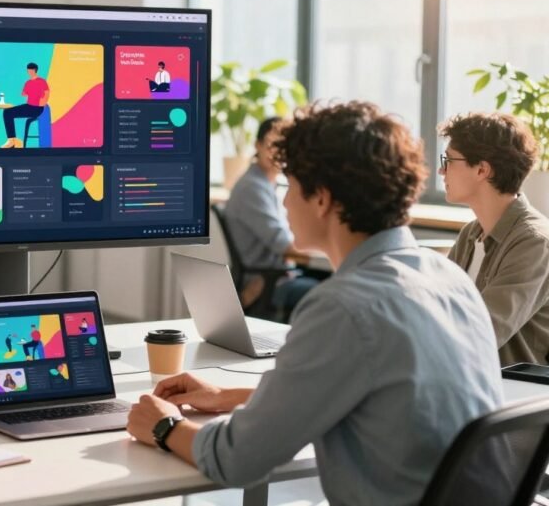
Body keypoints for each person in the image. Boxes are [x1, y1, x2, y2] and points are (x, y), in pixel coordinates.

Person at [127, 101, 503, 505]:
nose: (285, 203)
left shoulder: (344, 306)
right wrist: (226, 396)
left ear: (322, 199)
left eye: (290, 186)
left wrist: (164, 426)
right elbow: (372, 393)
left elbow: (237, 460)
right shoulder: (448, 278)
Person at [439, 112, 549, 365]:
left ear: (482, 169)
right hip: (466, 379)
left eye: (449, 161)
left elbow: (481, 332)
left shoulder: (535, 242)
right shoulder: (471, 234)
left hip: (512, 392)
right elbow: (441, 310)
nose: (440, 170)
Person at [225, 117, 319, 315]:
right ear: (257, 145)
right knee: (326, 293)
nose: (278, 153)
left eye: (283, 147)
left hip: (281, 275)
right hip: (267, 283)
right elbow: (284, 245)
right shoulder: (253, 188)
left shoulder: (270, 185)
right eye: (272, 145)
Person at [1, 62, 49, 149]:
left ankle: (12, 141)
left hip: (37, 108)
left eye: (31, 71)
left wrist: (41, 103)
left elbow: (47, 93)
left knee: (8, 112)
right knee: (7, 112)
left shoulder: (42, 81)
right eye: (28, 71)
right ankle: (11, 140)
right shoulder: (28, 82)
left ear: (35, 71)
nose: (29, 73)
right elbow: (23, 93)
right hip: (29, 106)